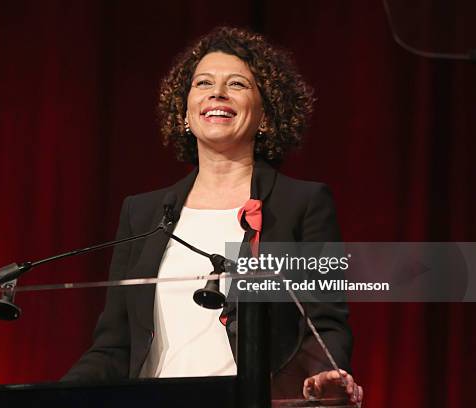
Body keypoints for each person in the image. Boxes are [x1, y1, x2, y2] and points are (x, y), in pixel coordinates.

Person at [63, 26, 363, 404]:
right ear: (186, 112)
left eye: (237, 84)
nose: (216, 92)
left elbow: (325, 324)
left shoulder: (300, 204)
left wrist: (322, 376)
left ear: (266, 116)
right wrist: (47, 398)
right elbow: (113, 347)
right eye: (203, 82)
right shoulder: (143, 213)